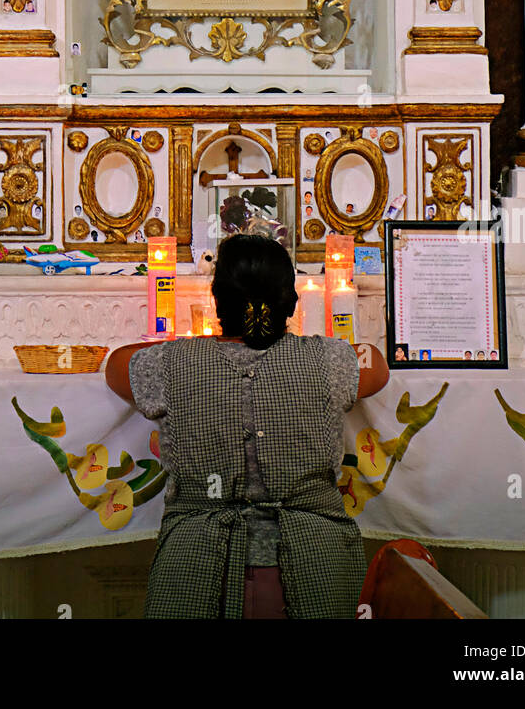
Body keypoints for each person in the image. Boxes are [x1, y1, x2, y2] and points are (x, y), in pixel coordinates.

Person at [105, 233, 389, 619]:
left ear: (218, 300)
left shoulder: (172, 364)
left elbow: (117, 364)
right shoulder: (327, 360)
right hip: (315, 559)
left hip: (197, 565)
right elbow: (376, 364)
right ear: (289, 302)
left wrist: (185, 349)